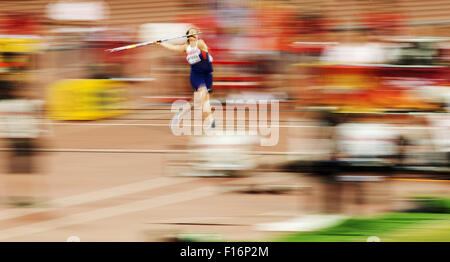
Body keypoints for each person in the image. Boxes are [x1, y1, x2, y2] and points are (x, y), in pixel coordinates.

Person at [155, 27, 215, 129]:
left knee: (198, 103)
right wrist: (161, 43)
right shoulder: (185, 47)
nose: (193, 34)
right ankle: (211, 122)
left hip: (208, 75)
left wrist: (195, 42)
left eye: (194, 33)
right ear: (187, 36)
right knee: (204, 98)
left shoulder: (200, 43)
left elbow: (203, 48)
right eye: (190, 33)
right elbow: (173, 48)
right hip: (197, 76)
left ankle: (180, 114)